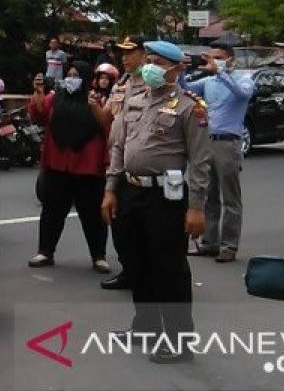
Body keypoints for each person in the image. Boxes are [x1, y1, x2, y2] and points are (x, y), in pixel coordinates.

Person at [101, 40, 210, 364]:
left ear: (177, 69)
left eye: (159, 63)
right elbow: (118, 148)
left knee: (169, 268)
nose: (150, 67)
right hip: (129, 191)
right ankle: (145, 327)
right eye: (148, 60)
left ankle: (179, 340)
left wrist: (197, 206)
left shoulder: (190, 107)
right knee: (136, 262)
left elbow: (201, 161)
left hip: (167, 195)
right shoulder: (133, 101)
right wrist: (110, 188)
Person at [27, 61, 111, 272]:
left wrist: (95, 107)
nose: (72, 79)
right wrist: (38, 93)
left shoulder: (96, 101)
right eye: (69, 75)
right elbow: (38, 115)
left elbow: (108, 127)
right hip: (58, 166)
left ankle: (98, 256)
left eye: (76, 75)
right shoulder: (54, 99)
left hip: (88, 167)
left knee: (92, 215)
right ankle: (45, 252)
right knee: (52, 211)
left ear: (86, 79)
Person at [178, 39, 254, 263]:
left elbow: (242, 94)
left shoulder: (244, 79)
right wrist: (182, 71)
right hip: (206, 140)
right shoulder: (208, 82)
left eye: (218, 58)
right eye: (210, 57)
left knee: (231, 197)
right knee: (208, 195)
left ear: (231, 59)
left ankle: (229, 245)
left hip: (228, 142)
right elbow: (187, 90)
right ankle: (210, 242)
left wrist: (221, 72)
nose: (213, 62)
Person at [99, 35, 147, 291]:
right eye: (122, 53)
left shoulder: (153, 85)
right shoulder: (123, 84)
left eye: (131, 53)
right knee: (120, 224)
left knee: (144, 227)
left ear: (144, 54)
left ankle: (146, 273)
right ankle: (129, 270)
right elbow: (107, 117)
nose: (125, 58)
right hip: (119, 162)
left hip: (142, 166)